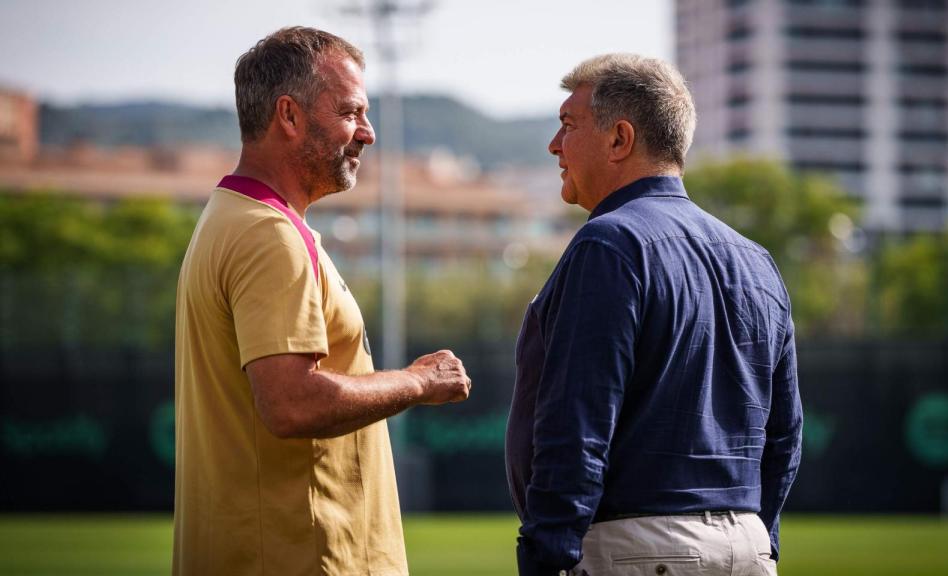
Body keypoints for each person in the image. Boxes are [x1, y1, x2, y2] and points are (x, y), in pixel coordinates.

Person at [173, 27, 471, 576]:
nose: (368, 133)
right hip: (305, 556)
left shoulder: (232, 217)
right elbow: (292, 403)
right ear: (289, 115)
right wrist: (419, 382)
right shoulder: (267, 235)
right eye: (351, 112)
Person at [506, 54, 802, 576]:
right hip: (748, 548)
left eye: (568, 126)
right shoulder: (758, 261)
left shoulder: (609, 242)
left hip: (638, 548)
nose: (554, 144)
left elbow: (577, 425)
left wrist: (546, 554)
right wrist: (761, 540)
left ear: (620, 139)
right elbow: (784, 433)